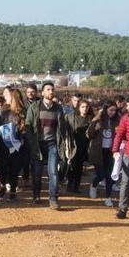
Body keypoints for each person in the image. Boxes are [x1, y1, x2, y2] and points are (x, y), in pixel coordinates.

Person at [25, 81, 74, 209]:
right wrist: (31, 142)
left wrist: (63, 144)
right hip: (38, 144)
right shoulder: (34, 107)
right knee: (37, 172)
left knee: (53, 172)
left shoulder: (58, 108)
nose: (51, 92)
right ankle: (36, 195)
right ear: (42, 93)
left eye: (52, 89)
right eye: (48, 89)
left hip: (52, 144)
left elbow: (62, 128)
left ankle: (53, 198)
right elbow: (28, 126)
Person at [0, 90, 26, 201]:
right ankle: (3, 187)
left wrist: (19, 133)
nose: (5, 97)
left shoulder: (22, 111)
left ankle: (13, 190)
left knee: (14, 168)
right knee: (3, 168)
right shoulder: (4, 109)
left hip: (17, 145)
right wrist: (0, 129)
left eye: (7, 95)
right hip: (3, 143)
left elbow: (25, 127)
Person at [87, 101, 119, 207]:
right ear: (105, 110)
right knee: (101, 174)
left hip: (111, 152)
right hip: (98, 151)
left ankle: (108, 197)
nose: (113, 112)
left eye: (115, 110)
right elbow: (89, 135)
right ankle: (93, 186)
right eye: (111, 110)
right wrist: (95, 129)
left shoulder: (117, 120)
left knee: (110, 176)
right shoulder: (98, 119)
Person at [64, 94, 91, 194]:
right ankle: (70, 185)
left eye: (87, 107)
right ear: (79, 108)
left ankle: (76, 186)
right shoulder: (71, 117)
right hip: (73, 145)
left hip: (85, 146)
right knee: (72, 167)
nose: (85, 109)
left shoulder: (90, 119)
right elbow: (65, 130)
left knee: (79, 168)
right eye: (83, 107)